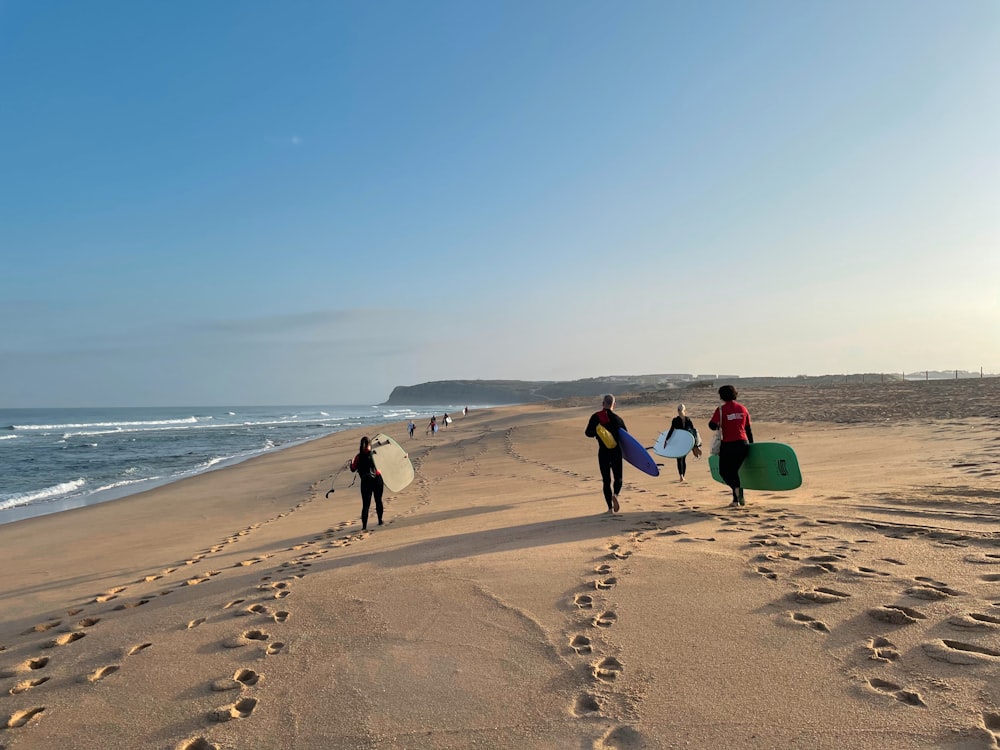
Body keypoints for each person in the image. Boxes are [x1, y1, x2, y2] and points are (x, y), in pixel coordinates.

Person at [708, 385, 754, 507]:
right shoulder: (743, 409)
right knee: (734, 471)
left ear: (722, 396)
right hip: (743, 444)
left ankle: (736, 492)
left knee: (724, 472)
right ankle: (736, 499)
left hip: (728, 445)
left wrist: (718, 425)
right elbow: (748, 429)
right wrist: (752, 445)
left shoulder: (721, 410)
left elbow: (712, 425)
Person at [585, 394, 626, 513]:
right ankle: (616, 495)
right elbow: (626, 439)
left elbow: (587, 433)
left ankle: (609, 508)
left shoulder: (595, 417)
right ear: (614, 404)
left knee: (606, 480)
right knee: (618, 478)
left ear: (603, 404)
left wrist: (597, 434)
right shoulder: (618, 419)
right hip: (616, 452)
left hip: (603, 452)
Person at [349, 436, 384, 529]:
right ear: (369, 444)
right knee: (378, 501)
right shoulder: (375, 454)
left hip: (365, 482)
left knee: (366, 505)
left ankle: (364, 526)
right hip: (377, 479)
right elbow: (385, 462)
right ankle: (380, 521)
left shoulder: (358, 457)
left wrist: (351, 463)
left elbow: (353, 469)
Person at [663, 403, 700, 482]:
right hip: (686, 442)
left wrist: (667, 440)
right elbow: (693, 432)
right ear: (685, 410)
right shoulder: (688, 420)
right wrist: (695, 444)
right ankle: (682, 476)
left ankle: (681, 475)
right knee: (683, 459)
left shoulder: (675, 420)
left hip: (678, 442)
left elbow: (671, 431)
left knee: (679, 459)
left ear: (677, 411)